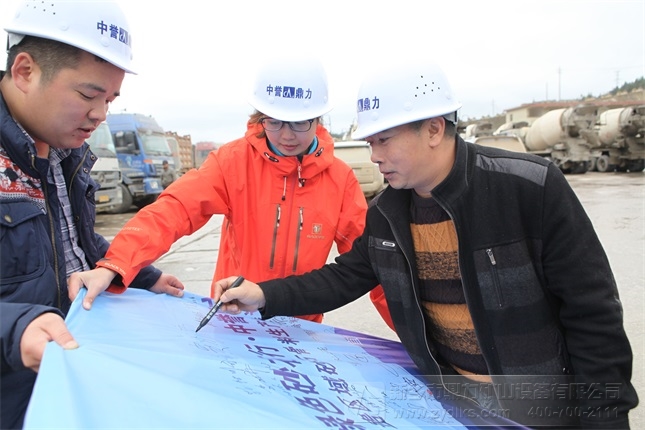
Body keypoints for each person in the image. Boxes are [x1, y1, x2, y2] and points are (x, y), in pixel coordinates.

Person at [207, 59, 639, 428]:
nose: (373, 155)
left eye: (383, 140)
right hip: (453, 405)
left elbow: (593, 313)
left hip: (541, 407)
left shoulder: (529, 189)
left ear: (433, 129)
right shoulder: (387, 215)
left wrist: (605, 418)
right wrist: (263, 294)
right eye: (370, 142)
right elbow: (342, 278)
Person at [68, 56, 368, 323]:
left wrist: (400, 324)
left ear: (318, 120)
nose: (286, 135)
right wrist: (115, 264)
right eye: (275, 122)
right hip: (234, 316)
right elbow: (174, 209)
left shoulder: (340, 180)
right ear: (260, 116)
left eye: (299, 123)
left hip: (301, 327)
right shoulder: (233, 162)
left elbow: (371, 264)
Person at [0, 2, 184, 428]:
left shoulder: (63, 153)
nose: (100, 114)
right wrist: (15, 327)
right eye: (88, 95)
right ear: (25, 71)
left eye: (110, 99)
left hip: (62, 384)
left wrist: (141, 275)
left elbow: (76, 245)